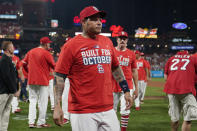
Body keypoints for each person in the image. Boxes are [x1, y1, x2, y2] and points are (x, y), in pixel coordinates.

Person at [53, 6, 133, 131]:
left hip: (107, 108)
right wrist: (57, 106)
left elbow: (116, 68)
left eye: (100, 19)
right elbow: (59, 77)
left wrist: (126, 91)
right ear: (84, 22)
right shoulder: (71, 46)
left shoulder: (107, 42)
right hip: (83, 111)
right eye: (94, 19)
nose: (99, 22)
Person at [23, 37, 55, 128]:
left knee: (33, 101)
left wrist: (28, 72)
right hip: (43, 80)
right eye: (48, 43)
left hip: (32, 79)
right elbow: (54, 65)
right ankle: (40, 122)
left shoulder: (31, 51)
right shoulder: (46, 53)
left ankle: (31, 122)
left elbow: (24, 64)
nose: (49, 45)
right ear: (45, 44)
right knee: (43, 102)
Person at [164, 50, 197, 131]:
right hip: (187, 90)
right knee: (188, 119)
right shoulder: (193, 58)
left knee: (174, 119)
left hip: (171, 90)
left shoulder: (171, 59)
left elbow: (165, 76)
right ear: (187, 53)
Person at [112, 31, 138, 131]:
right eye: (120, 38)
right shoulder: (111, 51)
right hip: (112, 84)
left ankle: (123, 129)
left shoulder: (131, 54)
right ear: (117, 40)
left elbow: (134, 71)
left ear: (127, 40)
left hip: (128, 85)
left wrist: (136, 88)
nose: (122, 40)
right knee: (111, 110)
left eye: (124, 38)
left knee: (125, 110)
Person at [0, 41, 20, 131]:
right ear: (8, 49)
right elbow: (6, 77)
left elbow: (12, 76)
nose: (14, 48)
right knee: (1, 113)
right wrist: (14, 90)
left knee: (6, 113)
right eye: (12, 47)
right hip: (3, 91)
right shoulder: (4, 60)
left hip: (8, 91)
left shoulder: (8, 59)